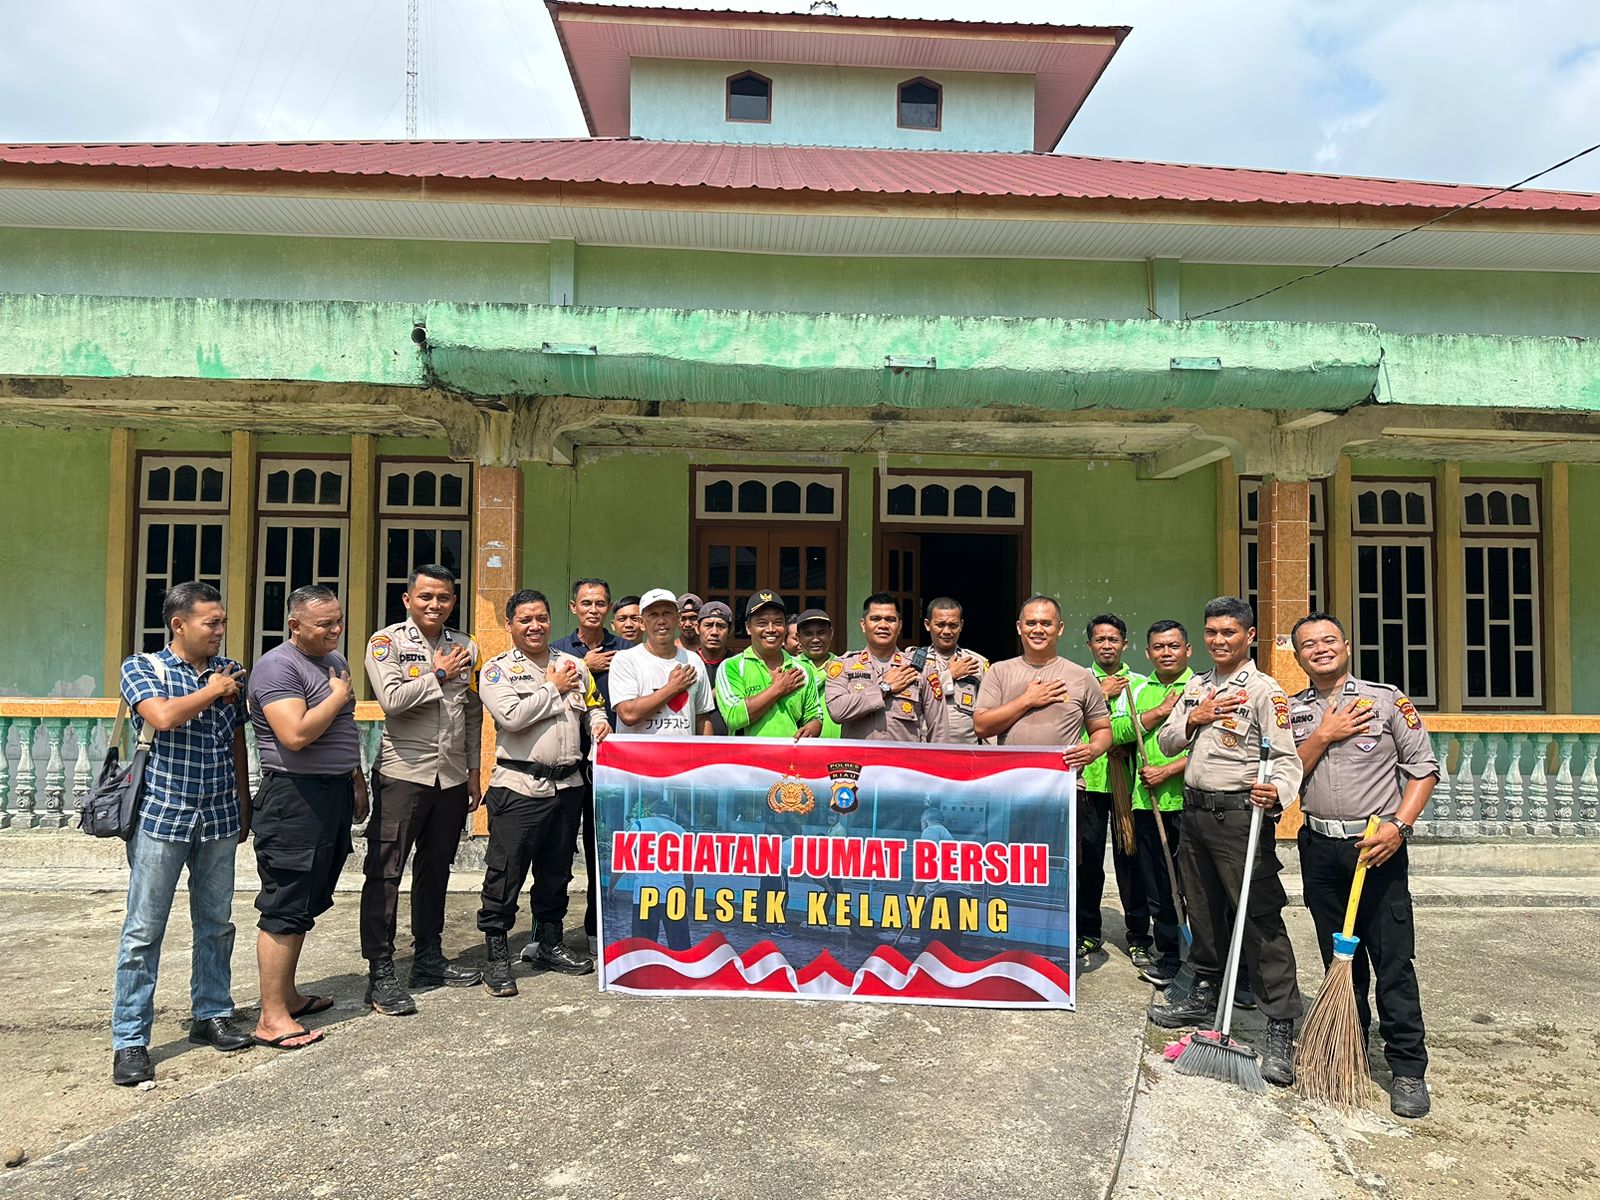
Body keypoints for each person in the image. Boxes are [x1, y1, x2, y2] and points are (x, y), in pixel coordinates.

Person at [1148, 596, 1304, 1089]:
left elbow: (1286, 758)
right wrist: (1196, 717)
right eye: (1212, 632)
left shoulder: (1264, 691)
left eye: (1229, 633)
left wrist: (1276, 792)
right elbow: (1170, 742)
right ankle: (1204, 992)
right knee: (1204, 910)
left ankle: (1280, 1023)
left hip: (1240, 817)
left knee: (1256, 918)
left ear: (1249, 636)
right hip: (1194, 811)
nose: (1219, 641)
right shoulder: (1197, 686)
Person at [1290, 612, 1439, 1118]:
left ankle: (1407, 1070)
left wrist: (1399, 826)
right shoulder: (1292, 712)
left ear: (1347, 645)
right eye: (1309, 644)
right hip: (1319, 847)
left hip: (1376, 846)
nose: (1321, 649)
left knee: (1393, 961)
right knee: (1339, 960)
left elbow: (1423, 770)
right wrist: (1325, 733)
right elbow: (1288, 777)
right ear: (1298, 656)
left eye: (1329, 640)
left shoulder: (1386, 699)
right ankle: (1345, 1057)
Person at [111, 582, 252, 1087]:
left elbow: (237, 735)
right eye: (211, 622)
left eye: (222, 622)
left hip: (217, 814)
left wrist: (243, 798)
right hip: (161, 816)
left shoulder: (231, 670)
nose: (219, 630)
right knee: (143, 932)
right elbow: (163, 717)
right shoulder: (143, 668)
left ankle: (211, 1012)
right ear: (179, 624)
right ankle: (130, 1041)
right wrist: (214, 689)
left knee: (216, 922)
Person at [248, 585, 368, 1050]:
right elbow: (295, 734)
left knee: (309, 899)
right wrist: (338, 696)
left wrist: (355, 779)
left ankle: (289, 997)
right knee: (286, 901)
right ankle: (271, 1017)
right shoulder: (278, 666)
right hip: (294, 797)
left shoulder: (333, 662)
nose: (335, 631)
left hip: (332, 793)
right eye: (324, 625)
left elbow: (344, 727)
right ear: (294, 625)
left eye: (339, 622)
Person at [360, 564, 483, 1016]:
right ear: (408, 599)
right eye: (426, 596)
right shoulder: (386, 642)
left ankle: (429, 956)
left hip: (449, 777)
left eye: (444, 598)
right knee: (386, 871)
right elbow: (390, 701)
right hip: (403, 773)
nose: (435, 605)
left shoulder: (466, 645)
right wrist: (437, 675)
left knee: (436, 870)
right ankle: (381, 970)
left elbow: (471, 713)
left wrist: (473, 771)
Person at [476, 589, 611, 996]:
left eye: (541, 618)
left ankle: (549, 943)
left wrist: (599, 723)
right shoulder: (497, 671)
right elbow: (511, 717)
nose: (534, 626)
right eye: (524, 620)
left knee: (555, 873)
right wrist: (552, 688)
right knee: (506, 874)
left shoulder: (572, 664)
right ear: (510, 625)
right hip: (519, 786)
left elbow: (592, 704)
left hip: (567, 786)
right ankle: (497, 956)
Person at [972, 596, 1113, 961]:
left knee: (1062, 870)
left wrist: (1094, 749)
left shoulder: (1080, 677)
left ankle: (1057, 948)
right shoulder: (1000, 673)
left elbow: (1101, 729)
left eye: (1046, 623)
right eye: (1031, 623)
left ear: (1060, 628)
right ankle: (1012, 942)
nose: (1038, 629)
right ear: (1019, 627)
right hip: (1010, 793)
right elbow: (982, 724)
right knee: (1011, 868)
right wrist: (1027, 699)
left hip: (1063, 792)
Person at [553, 578, 625, 956]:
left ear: (609, 608)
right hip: (565, 764)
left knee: (603, 853)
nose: (593, 609)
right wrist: (585, 664)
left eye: (600, 603)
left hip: (611, 768)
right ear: (573, 607)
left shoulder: (626, 650)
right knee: (557, 852)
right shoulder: (556, 651)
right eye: (586, 603)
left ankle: (598, 930)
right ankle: (547, 935)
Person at [1122, 620, 1194, 987]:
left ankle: (1212, 964)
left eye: (1174, 646)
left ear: (1188, 650)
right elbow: (1118, 731)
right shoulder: (1136, 689)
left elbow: (1213, 747)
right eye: (1159, 647)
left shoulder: (1202, 688)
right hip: (1145, 804)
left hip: (1191, 804)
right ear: (1148, 652)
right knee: (1158, 887)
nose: (1166, 653)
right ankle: (1169, 957)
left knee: (1197, 888)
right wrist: (1159, 712)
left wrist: (1168, 770)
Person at [1078, 614, 1152, 968]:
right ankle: (1088, 930)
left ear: (1125, 643)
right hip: (1090, 781)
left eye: (1113, 639)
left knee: (1131, 860)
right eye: (1100, 640)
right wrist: (1100, 699)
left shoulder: (1139, 684)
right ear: (1090, 644)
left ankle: (1139, 936)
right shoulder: (1079, 682)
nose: (1107, 645)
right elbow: (1070, 730)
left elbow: (1149, 730)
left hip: (1129, 783)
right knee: (1088, 861)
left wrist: (1124, 743)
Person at [824, 593, 949, 743]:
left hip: (903, 763)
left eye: (890, 620)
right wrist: (885, 688)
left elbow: (939, 729)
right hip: (858, 764)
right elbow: (837, 711)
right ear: (863, 625)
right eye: (875, 619)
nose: (883, 625)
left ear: (900, 625)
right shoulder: (844, 665)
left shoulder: (920, 670)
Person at [714, 591, 824, 739]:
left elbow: (814, 715)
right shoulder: (731, 667)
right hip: (745, 759)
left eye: (778, 623)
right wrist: (778, 688)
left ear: (785, 627)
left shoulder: (802, 669)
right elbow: (734, 717)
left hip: (791, 758)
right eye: (762, 623)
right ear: (748, 627)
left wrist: (811, 729)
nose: (771, 629)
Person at [610, 589, 716, 737]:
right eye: (653, 615)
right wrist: (672, 688)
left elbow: (702, 718)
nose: (661, 621)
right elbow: (628, 714)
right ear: (642, 622)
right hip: (638, 758)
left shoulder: (693, 660)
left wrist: (707, 755)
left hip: (682, 757)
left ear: (677, 618)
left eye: (667, 613)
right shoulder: (625, 660)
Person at [920, 597, 989, 745]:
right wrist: (949, 675)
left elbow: (988, 713)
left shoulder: (976, 662)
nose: (946, 631)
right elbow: (915, 700)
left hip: (967, 751)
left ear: (961, 625)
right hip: (925, 748)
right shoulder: (915, 660)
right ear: (927, 624)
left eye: (953, 625)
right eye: (940, 625)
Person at [793, 608, 842, 739]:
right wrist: (826, 675)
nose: (815, 639)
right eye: (808, 634)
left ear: (831, 634)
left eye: (821, 633)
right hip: (803, 746)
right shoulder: (790, 667)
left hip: (842, 746)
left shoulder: (845, 665)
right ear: (798, 637)